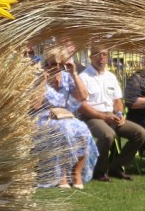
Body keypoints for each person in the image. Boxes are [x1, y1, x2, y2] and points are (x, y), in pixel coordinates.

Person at [79, 47, 145, 181]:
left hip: (111, 115)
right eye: (98, 55)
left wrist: (120, 114)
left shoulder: (111, 77)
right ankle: (99, 171)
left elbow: (117, 101)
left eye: (104, 54)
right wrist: (104, 117)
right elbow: (82, 107)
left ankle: (116, 167)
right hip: (91, 117)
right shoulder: (83, 77)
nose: (102, 58)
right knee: (108, 135)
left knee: (140, 133)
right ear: (91, 57)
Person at [34, 51, 100, 189]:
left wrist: (74, 73)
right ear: (46, 64)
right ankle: (62, 174)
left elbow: (82, 96)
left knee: (82, 129)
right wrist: (42, 82)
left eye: (61, 65)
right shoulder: (38, 78)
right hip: (42, 117)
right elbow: (35, 105)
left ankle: (76, 172)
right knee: (63, 130)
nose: (56, 67)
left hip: (64, 116)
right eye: (52, 64)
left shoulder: (66, 77)